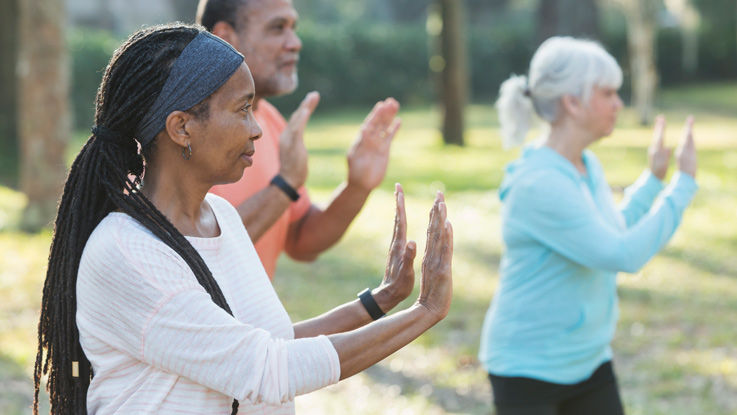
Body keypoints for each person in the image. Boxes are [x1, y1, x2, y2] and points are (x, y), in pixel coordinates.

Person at [32, 24, 453, 415]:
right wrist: (425, 312)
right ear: (181, 128)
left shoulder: (223, 218)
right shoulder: (128, 251)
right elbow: (267, 371)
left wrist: (379, 301)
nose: (257, 130)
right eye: (242, 110)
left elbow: (270, 344)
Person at [478, 37, 698, 415]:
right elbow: (621, 254)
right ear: (572, 102)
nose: (619, 103)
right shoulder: (539, 182)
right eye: (609, 93)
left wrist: (653, 181)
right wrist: (683, 186)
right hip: (528, 369)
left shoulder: (585, 164)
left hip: (588, 359)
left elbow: (609, 233)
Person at [195, 0, 400, 278]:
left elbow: (301, 241)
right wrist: (284, 185)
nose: (295, 43)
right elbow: (189, 258)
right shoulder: (179, 130)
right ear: (224, 38)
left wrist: (357, 186)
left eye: (293, 28)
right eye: (277, 28)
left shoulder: (270, 120)